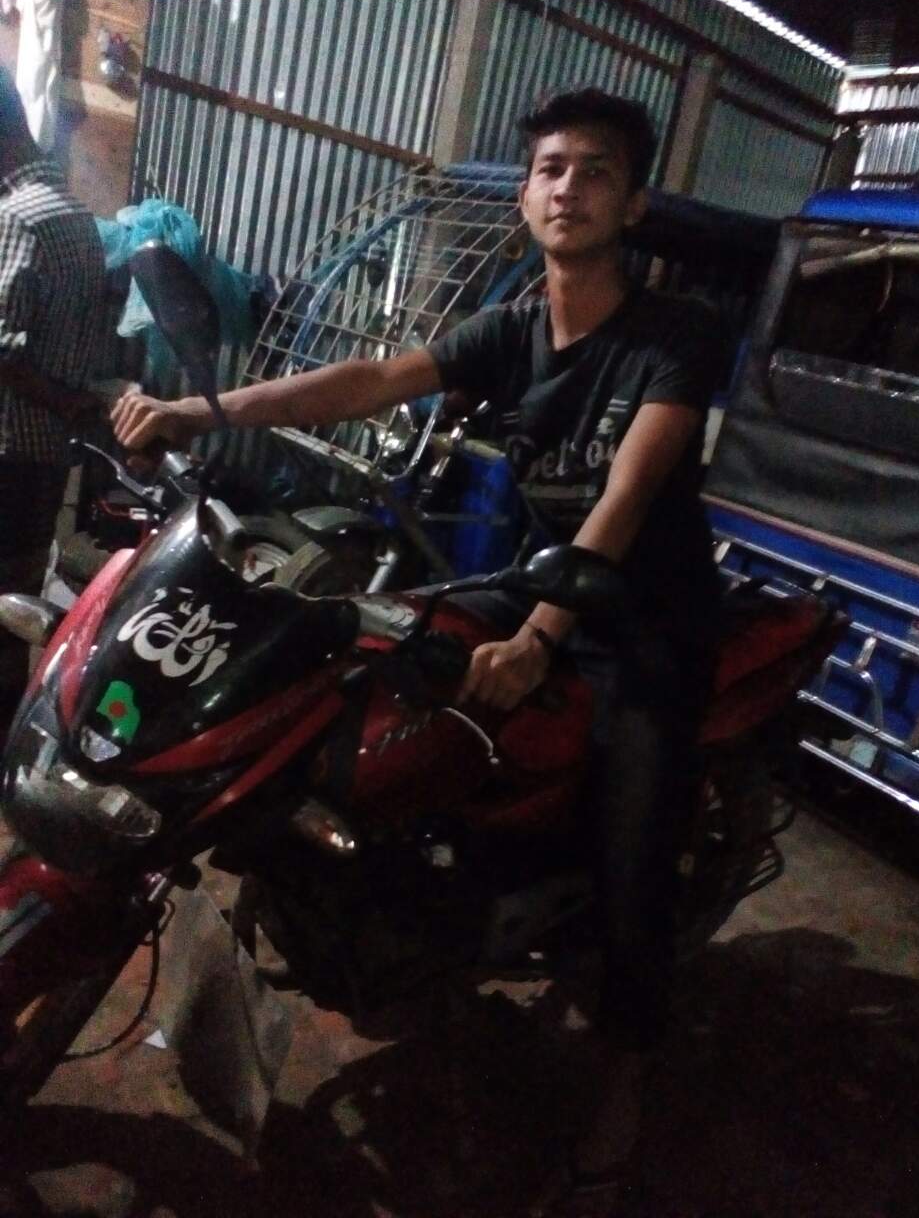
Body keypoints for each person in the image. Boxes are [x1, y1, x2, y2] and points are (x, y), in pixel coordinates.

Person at [112, 87, 723, 1216]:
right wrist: (207, 412)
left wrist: (540, 636)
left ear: (634, 204)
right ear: (527, 193)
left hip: (640, 621)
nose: (567, 188)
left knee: (636, 849)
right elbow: (369, 381)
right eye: (549, 168)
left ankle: (621, 1082)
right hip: (532, 584)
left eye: (595, 171)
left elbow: (628, 496)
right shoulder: (514, 327)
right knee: (349, 673)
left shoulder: (673, 337)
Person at [0, 64, 105, 736]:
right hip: (40, 459)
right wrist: (69, 405)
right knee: (15, 609)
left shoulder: (15, 218)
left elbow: (2, 352)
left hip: (5, 449)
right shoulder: (75, 216)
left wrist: (63, 401)